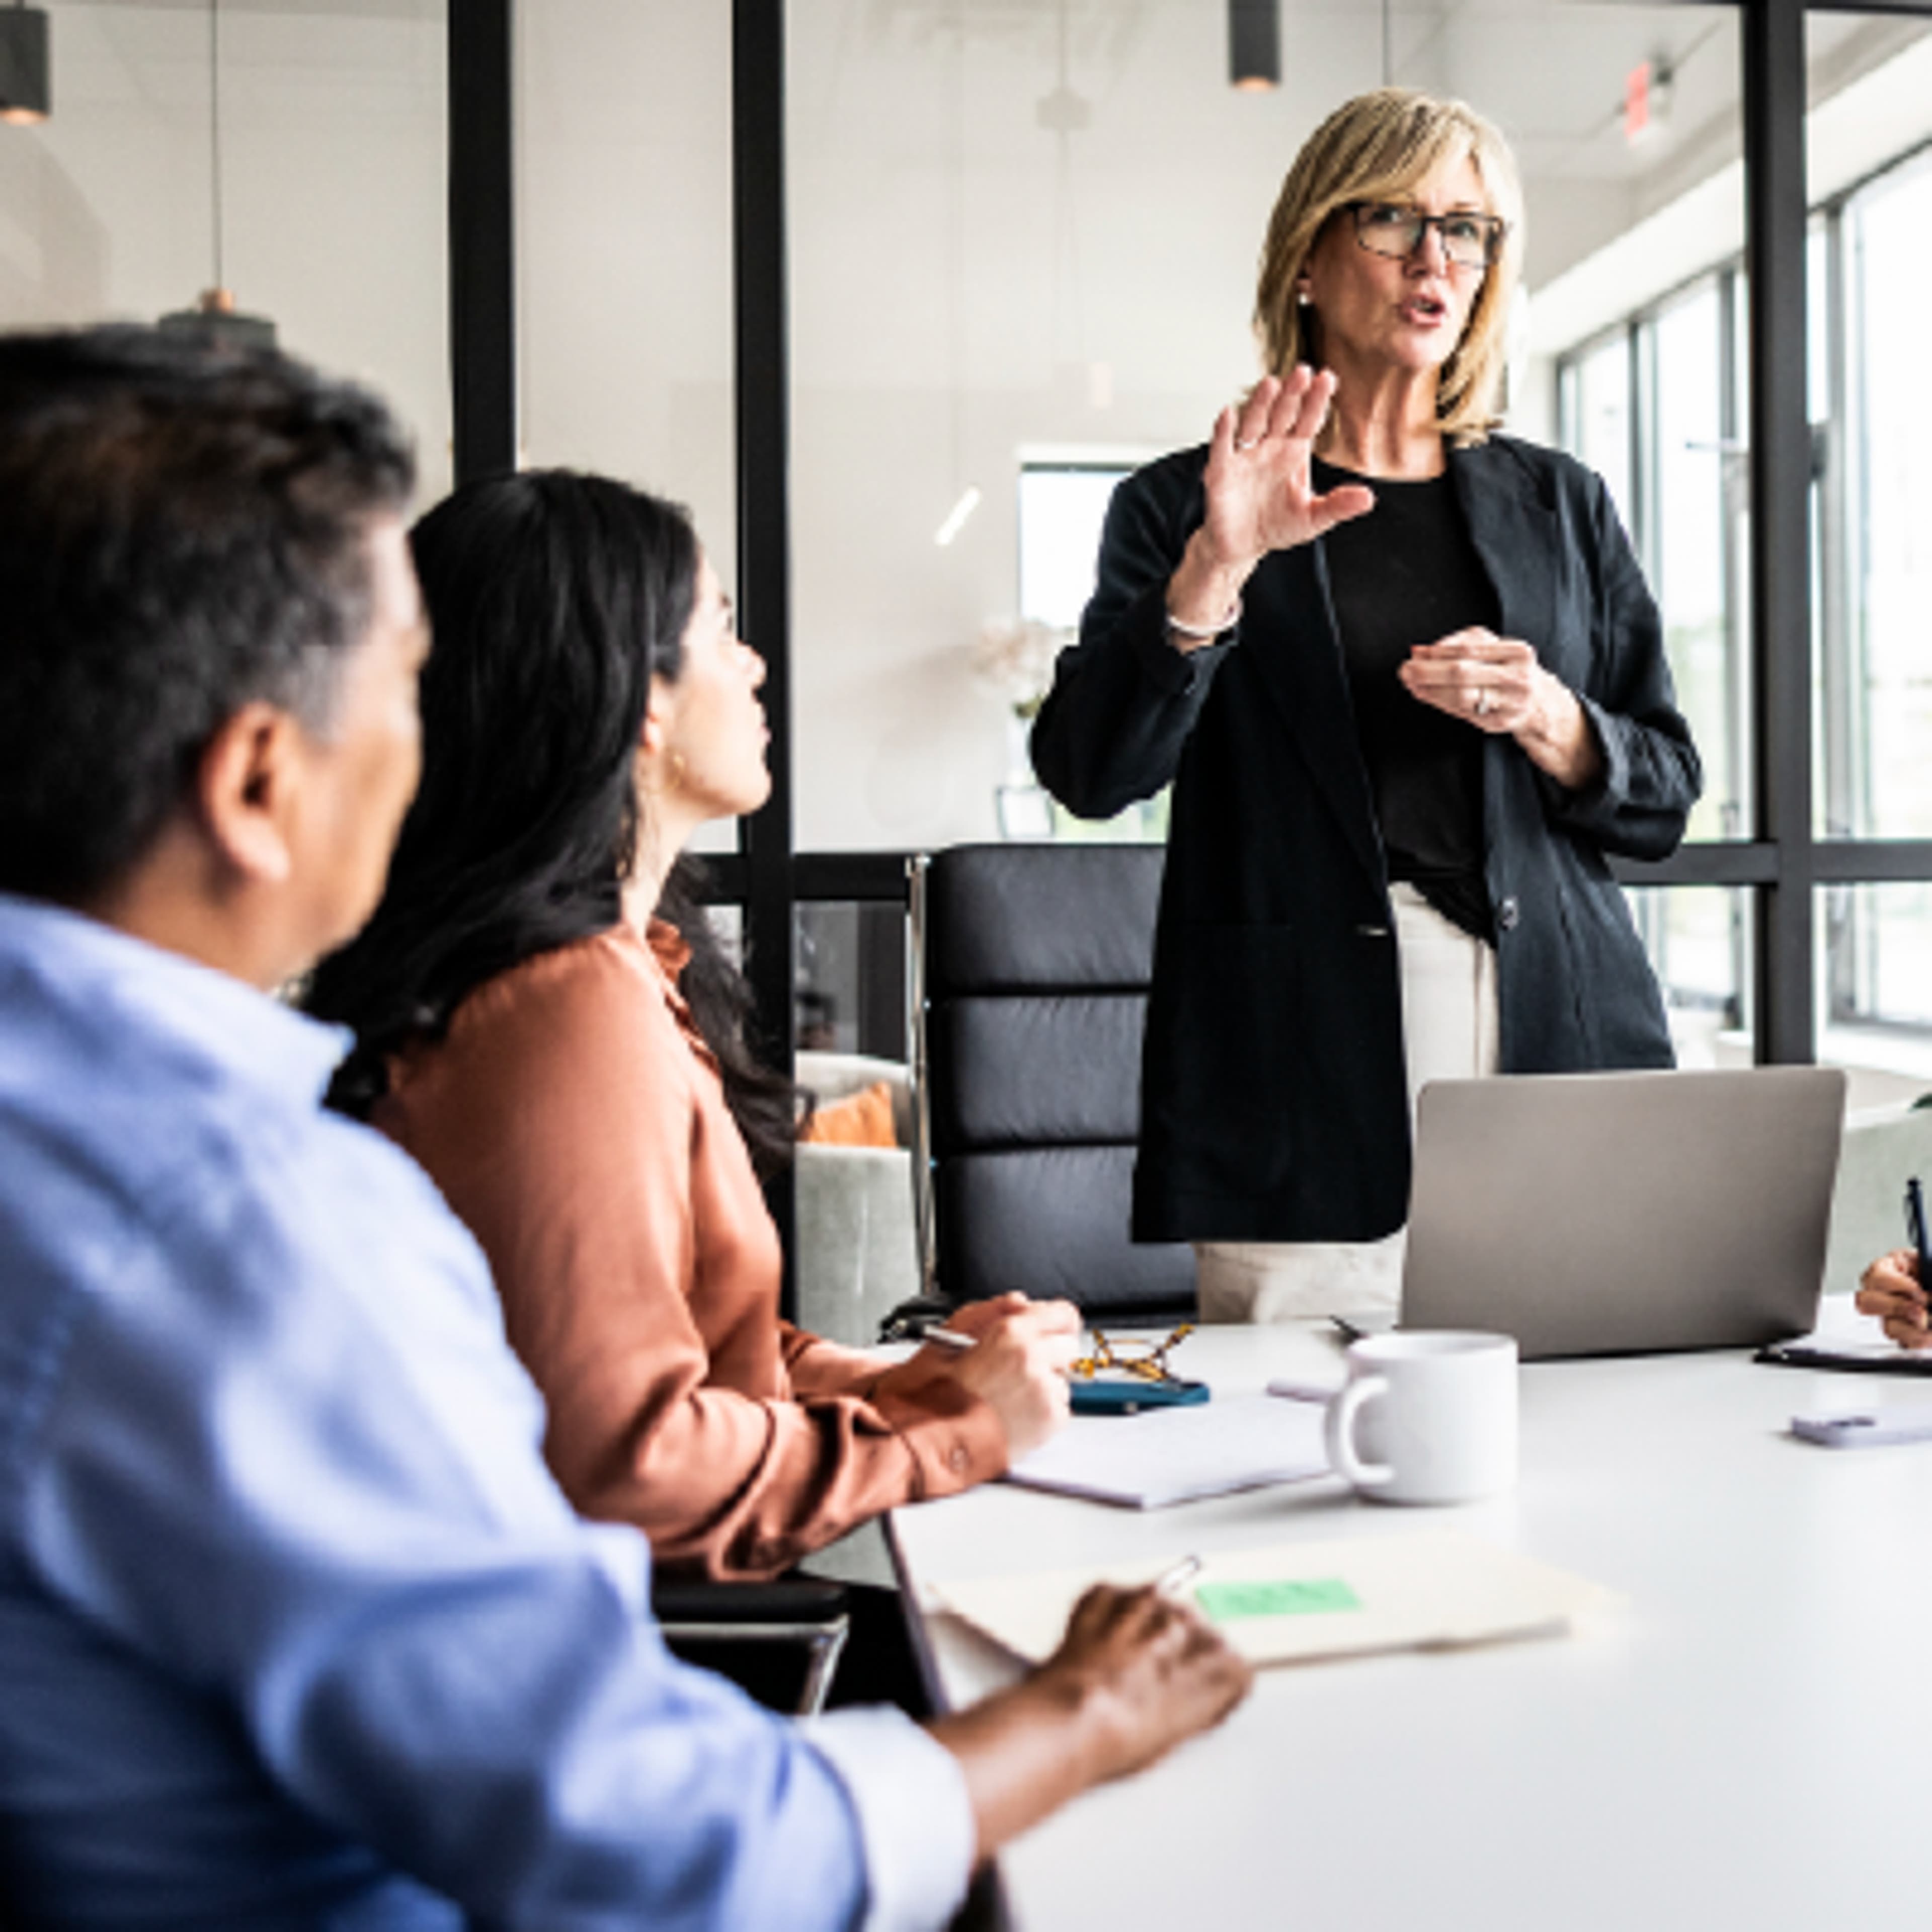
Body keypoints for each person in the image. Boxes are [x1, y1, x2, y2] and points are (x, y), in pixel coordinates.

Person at [0, 325, 1250, 1929]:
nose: (432, 726)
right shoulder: (250, 1223)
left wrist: (904, 1382)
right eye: (397, 681)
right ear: (257, 782)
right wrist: (1083, 1707)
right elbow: (651, 1835)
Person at [303, 470, 1077, 1586]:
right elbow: (627, 1465)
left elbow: (674, 1341)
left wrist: (889, 1380)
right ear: (644, 701)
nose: (754, 662)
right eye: (720, 625)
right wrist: (953, 1432)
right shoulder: (562, 1013)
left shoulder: (628, 969)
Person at [1029, 87, 1702, 1323]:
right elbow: (1090, 771)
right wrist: (1214, 574)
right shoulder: (1187, 502)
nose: (1436, 259)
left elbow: (1664, 791)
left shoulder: (1562, 504)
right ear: (1309, 255)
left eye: (1470, 228)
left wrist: (1558, 723)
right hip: (1300, 1055)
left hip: (1556, 1025)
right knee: (1295, 1457)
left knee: (1585, 1431)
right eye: (1394, 219)